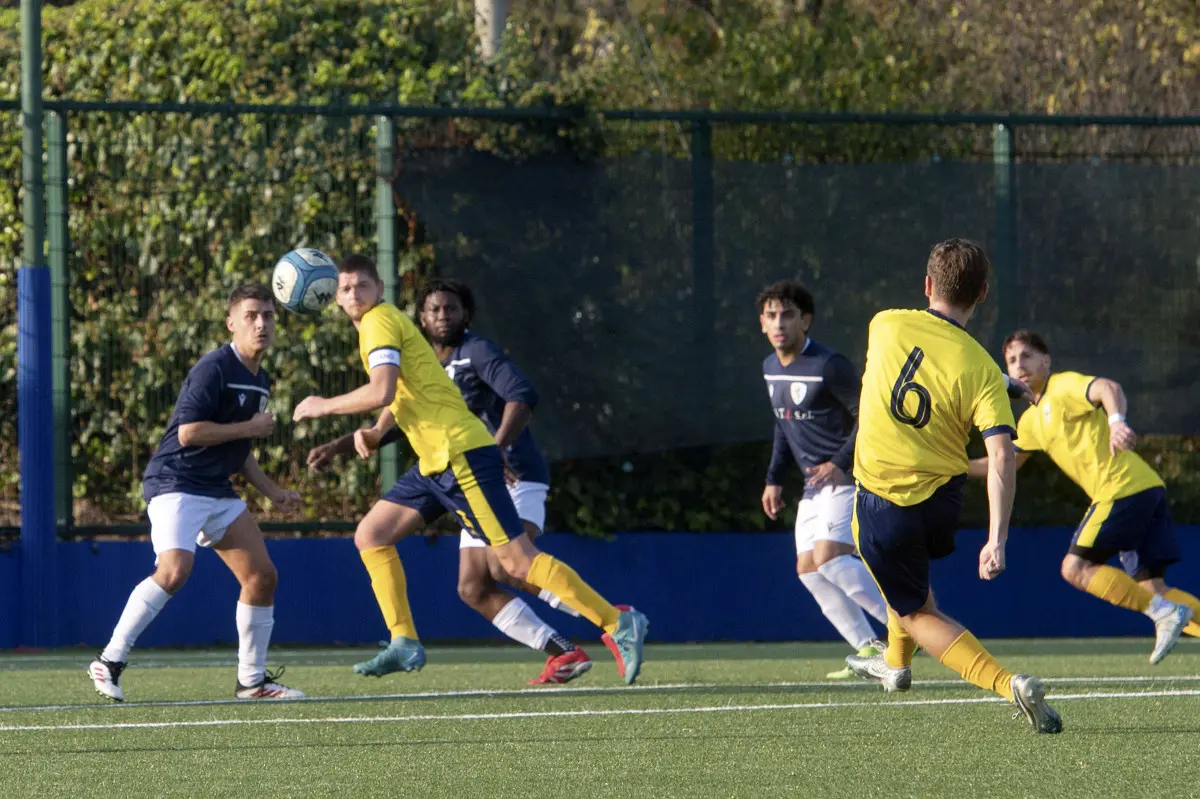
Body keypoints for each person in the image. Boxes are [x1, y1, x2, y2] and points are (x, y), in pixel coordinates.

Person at [292, 255, 648, 683]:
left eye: (361, 286)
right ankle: (403, 640)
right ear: (333, 297)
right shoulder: (385, 323)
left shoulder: (377, 322)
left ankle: (616, 623)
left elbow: (381, 389)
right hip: (435, 461)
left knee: (516, 562)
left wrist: (322, 406)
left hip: (459, 454)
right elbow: (405, 391)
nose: (353, 294)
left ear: (379, 289)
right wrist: (374, 432)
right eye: (345, 288)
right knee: (371, 535)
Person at [844, 238, 1061, 734]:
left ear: (926, 284)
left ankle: (1011, 686)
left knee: (918, 611)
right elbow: (1003, 455)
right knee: (909, 584)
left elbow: (919, 364)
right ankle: (896, 667)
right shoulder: (984, 369)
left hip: (883, 502)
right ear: (982, 294)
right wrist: (996, 538)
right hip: (943, 502)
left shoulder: (885, 323)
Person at [88, 283, 305, 702]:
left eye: (268, 316)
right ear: (231, 323)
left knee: (262, 576)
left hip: (216, 490)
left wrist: (273, 492)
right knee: (174, 570)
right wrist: (251, 428)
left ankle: (252, 682)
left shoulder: (261, 378)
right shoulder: (214, 368)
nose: (261, 324)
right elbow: (189, 433)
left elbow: (239, 451)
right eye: (251, 316)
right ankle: (109, 661)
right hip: (176, 482)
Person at [965, 330, 1194, 662]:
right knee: (1153, 592)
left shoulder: (1062, 387)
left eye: (1027, 356)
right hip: (1146, 488)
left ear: (1047, 360)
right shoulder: (1029, 421)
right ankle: (1165, 610)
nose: (1019, 365)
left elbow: (1107, 388)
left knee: (1075, 568)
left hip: (1122, 488)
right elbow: (1002, 464)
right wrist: (955, 465)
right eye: (1012, 360)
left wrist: (1116, 421)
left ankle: (1163, 612)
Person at [757, 280, 887, 678]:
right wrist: (774, 478)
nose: (780, 323)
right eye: (771, 316)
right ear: (762, 323)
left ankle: (908, 623)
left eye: (788, 315)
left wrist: (839, 461)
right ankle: (869, 649)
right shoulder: (770, 368)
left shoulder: (830, 365)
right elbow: (784, 425)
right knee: (808, 568)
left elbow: (869, 416)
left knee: (830, 557)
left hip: (848, 476)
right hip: (813, 486)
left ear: (806, 320)